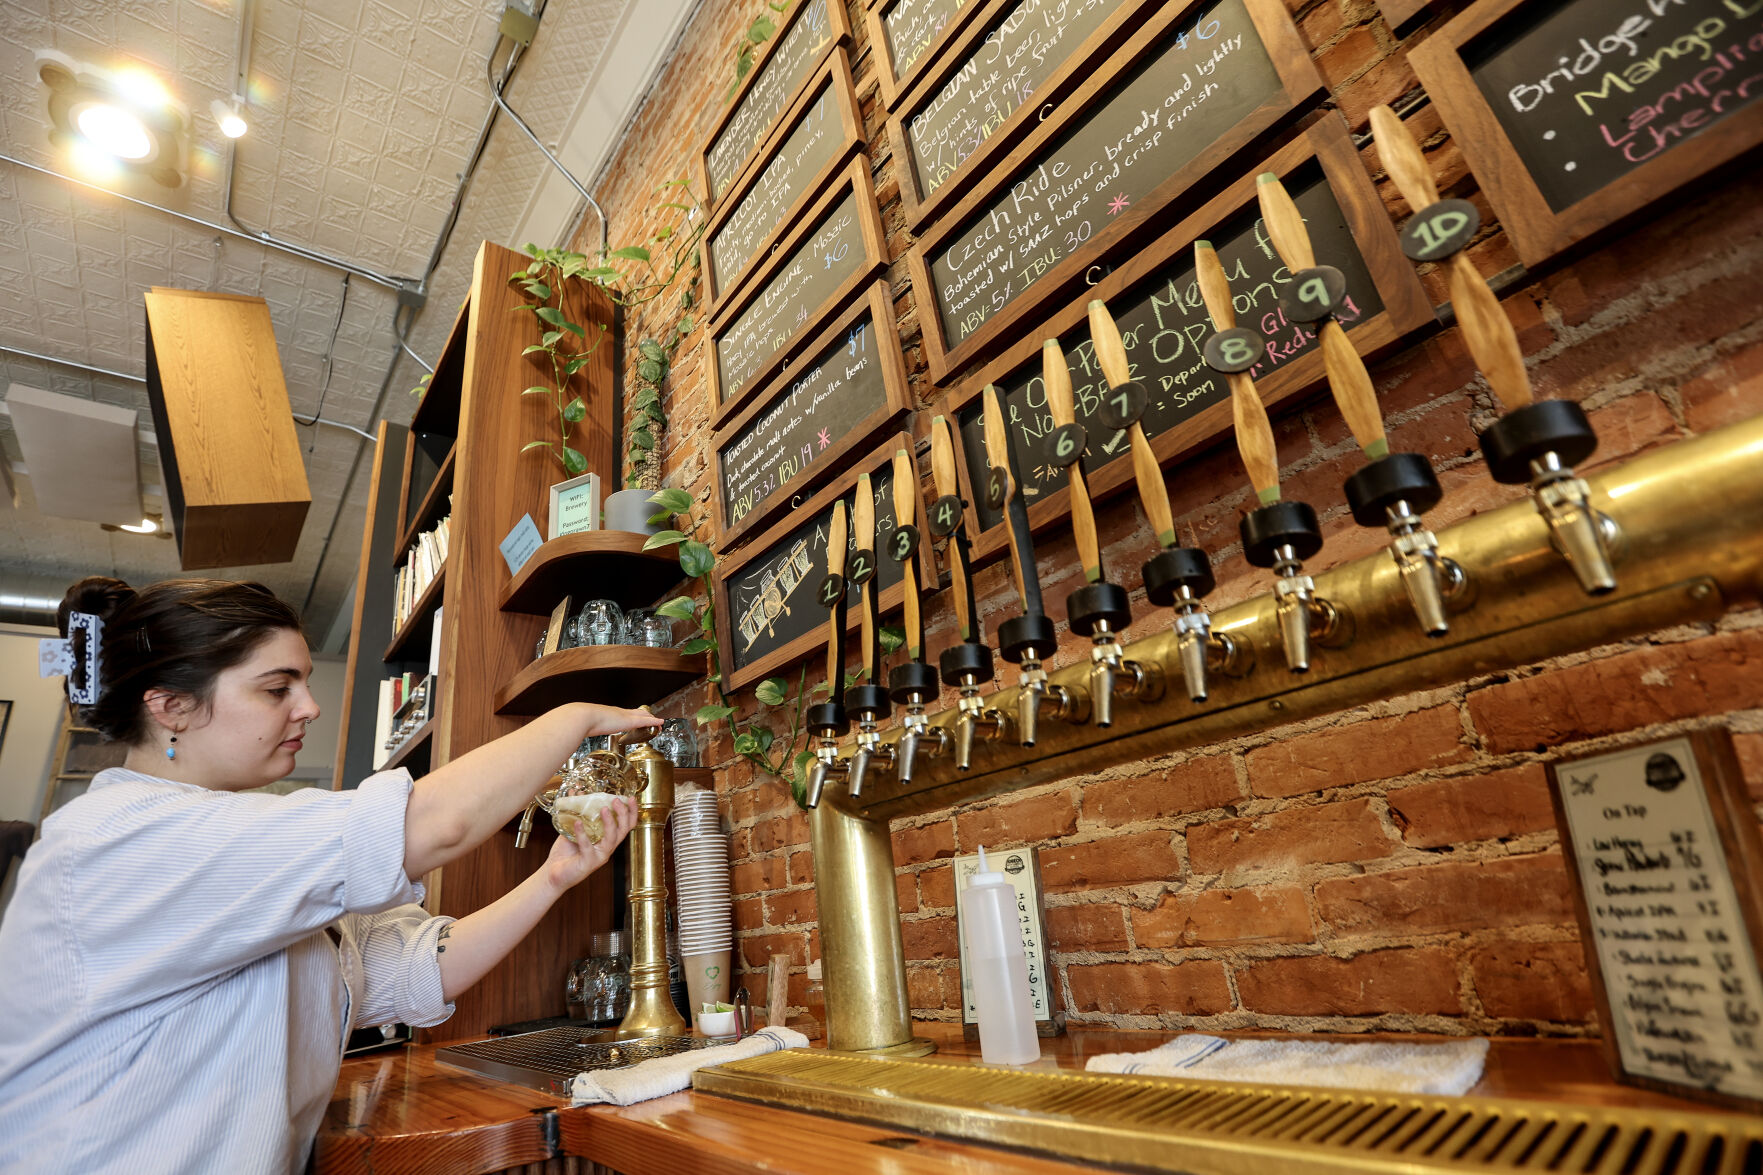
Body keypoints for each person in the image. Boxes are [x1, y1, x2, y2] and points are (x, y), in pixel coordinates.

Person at [0, 576, 659, 1174]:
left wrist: (550, 877)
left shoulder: (239, 841)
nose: (308, 707)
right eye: (275, 687)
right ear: (171, 706)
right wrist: (573, 717)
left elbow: (411, 968)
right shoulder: (123, 839)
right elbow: (436, 824)